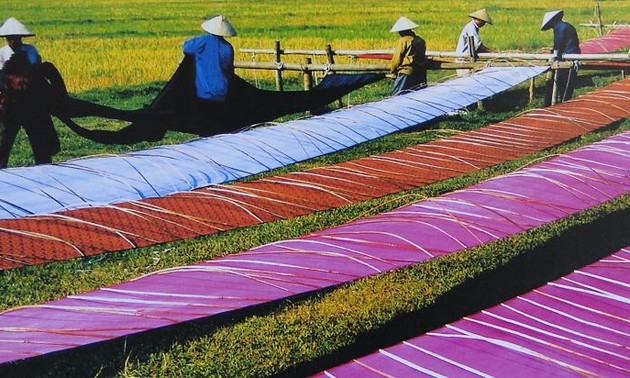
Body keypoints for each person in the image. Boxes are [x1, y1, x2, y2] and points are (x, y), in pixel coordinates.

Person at [0, 17, 60, 168]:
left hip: (30, 104)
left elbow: (37, 73)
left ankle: (45, 168)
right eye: (10, 39)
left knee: (38, 138)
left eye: (16, 38)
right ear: (6, 39)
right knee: (5, 139)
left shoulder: (31, 51)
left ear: (21, 38)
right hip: (10, 105)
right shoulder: (1, 54)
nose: (13, 42)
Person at [183, 15, 236, 102]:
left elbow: (186, 48)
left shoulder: (203, 42)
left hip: (204, 91)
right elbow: (228, 68)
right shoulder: (228, 47)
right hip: (222, 91)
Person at [541, 10, 581, 105]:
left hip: (569, 56)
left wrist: (553, 55)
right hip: (571, 53)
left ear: (552, 21)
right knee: (564, 82)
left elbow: (558, 45)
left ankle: (562, 103)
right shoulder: (564, 26)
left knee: (562, 82)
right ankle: (562, 102)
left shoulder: (560, 28)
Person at [389, 16, 427, 95]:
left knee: (397, 96)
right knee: (419, 95)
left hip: (407, 72)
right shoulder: (420, 40)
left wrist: (392, 71)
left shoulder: (404, 40)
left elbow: (397, 58)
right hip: (420, 72)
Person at [455, 8, 494, 76]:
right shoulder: (471, 28)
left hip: (466, 59)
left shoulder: (472, 27)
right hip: (463, 60)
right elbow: (478, 45)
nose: (484, 24)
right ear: (479, 20)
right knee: (466, 81)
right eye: (483, 22)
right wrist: (493, 52)